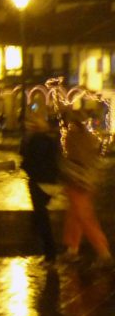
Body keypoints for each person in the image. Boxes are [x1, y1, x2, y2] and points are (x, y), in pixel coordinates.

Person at [59, 113, 111, 266]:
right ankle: (72, 250)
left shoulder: (73, 137)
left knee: (83, 217)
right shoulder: (89, 137)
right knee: (75, 216)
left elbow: (72, 158)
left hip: (77, 182)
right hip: (86, 182)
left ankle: (103, 253)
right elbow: (93, 158)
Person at [19, 110, 60, 264]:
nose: (28, 125)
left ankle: (50, 253)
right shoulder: (49, 139)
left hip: (39, 182)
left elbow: (30, 160)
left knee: (42, 218)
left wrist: (26, 167)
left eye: (30, 123)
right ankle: (35, 241)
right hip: (49, 182)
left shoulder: (36, 140)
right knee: (39, 215)